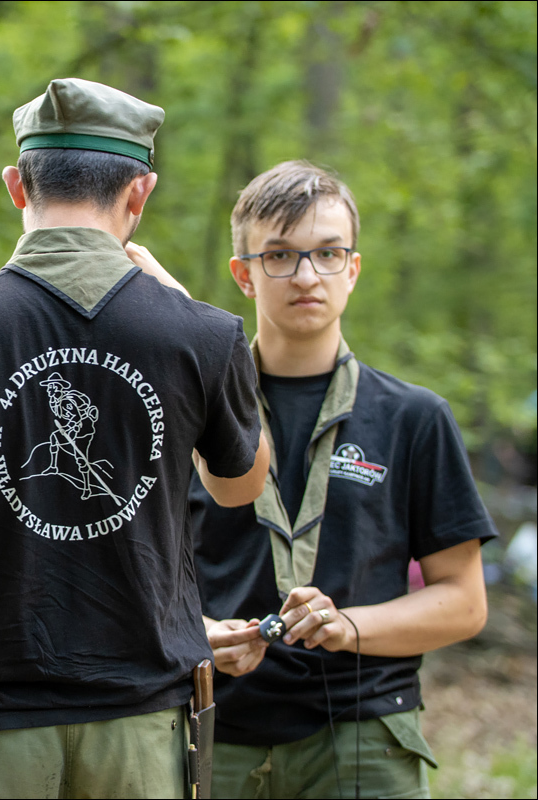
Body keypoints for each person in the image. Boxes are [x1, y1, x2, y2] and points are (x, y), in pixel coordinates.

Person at [0, 77, 271, 799]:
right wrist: (189, 316)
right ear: (140, 193)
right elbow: (240, 485)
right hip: (140, 731)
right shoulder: (203, 335)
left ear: (17, 185)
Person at [190, 160, 495, 799]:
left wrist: (350, 626)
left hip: (366, 735)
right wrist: (195, 633)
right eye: (280, 255)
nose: (307, 275)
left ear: (353, 269)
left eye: (328, 254)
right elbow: (140, 577)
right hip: (214, 732)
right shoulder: (189, 417)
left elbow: (464, 602)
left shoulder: (415, 418)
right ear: (243, 274)